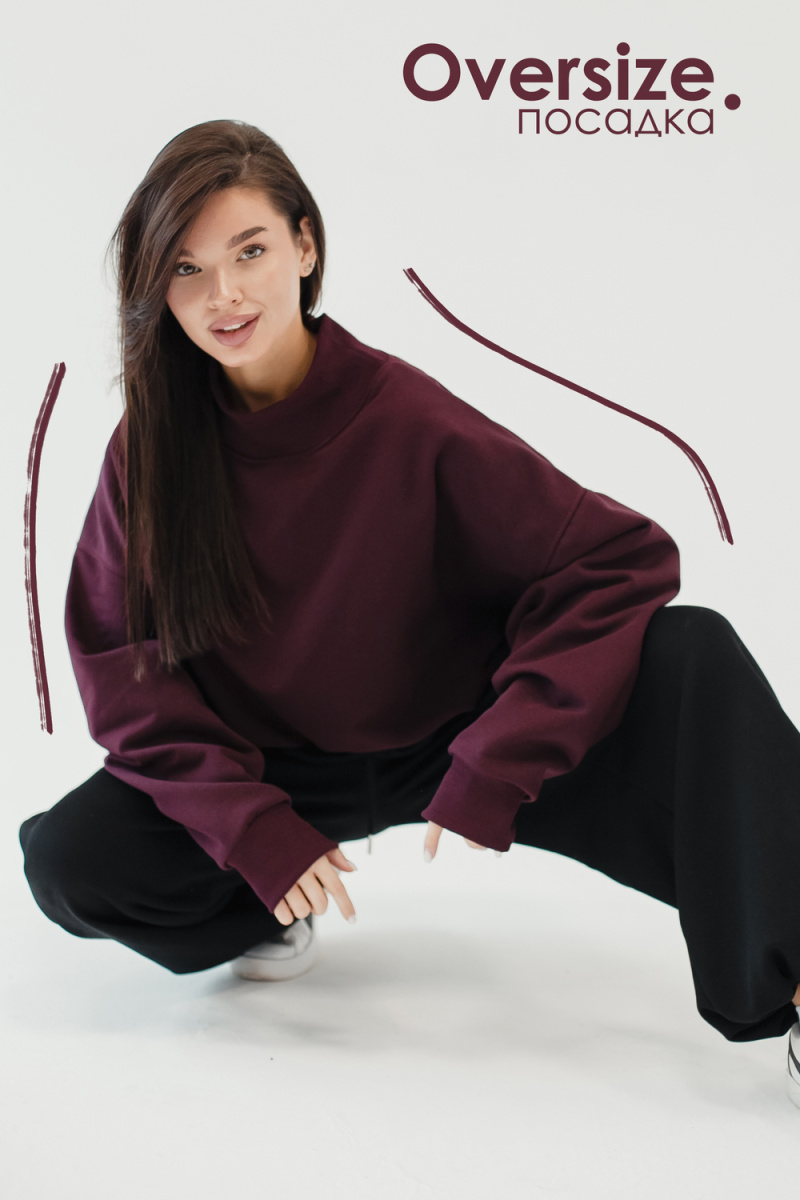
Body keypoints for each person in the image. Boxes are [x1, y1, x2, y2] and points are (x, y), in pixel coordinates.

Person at [18, 119, 800, 1108]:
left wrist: (499, 758)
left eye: (250, 252)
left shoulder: (404, 416)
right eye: (187, 268)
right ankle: (271, 909)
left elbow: (617, 559)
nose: (224, 296)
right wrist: (251, 831)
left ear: (305, 246)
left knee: (693, 653)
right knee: (69, 860)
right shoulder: (152, 450)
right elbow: (120, 668)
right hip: (277, 771)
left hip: (454, 733)